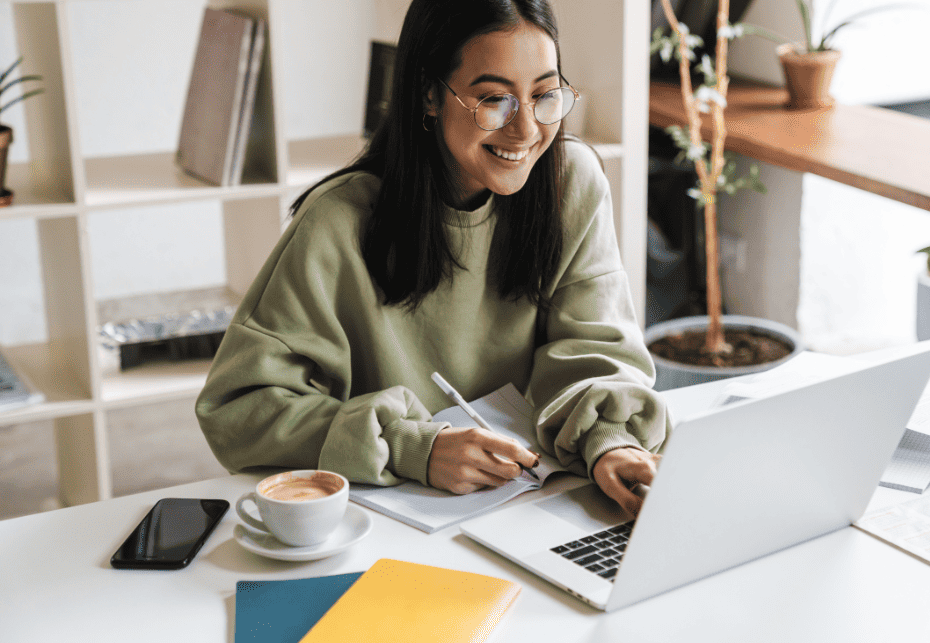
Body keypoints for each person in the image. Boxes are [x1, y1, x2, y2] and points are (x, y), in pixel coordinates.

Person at [195, 0, 670, 517]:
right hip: (391, 518)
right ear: (428, 93)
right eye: (494, 100)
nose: (527, 130)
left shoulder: (570, 182)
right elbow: (238, 408)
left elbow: (596, 348)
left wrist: (610, 440)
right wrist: (412, 447)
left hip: (537, 501)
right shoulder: (337, 222)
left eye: (544, 95)